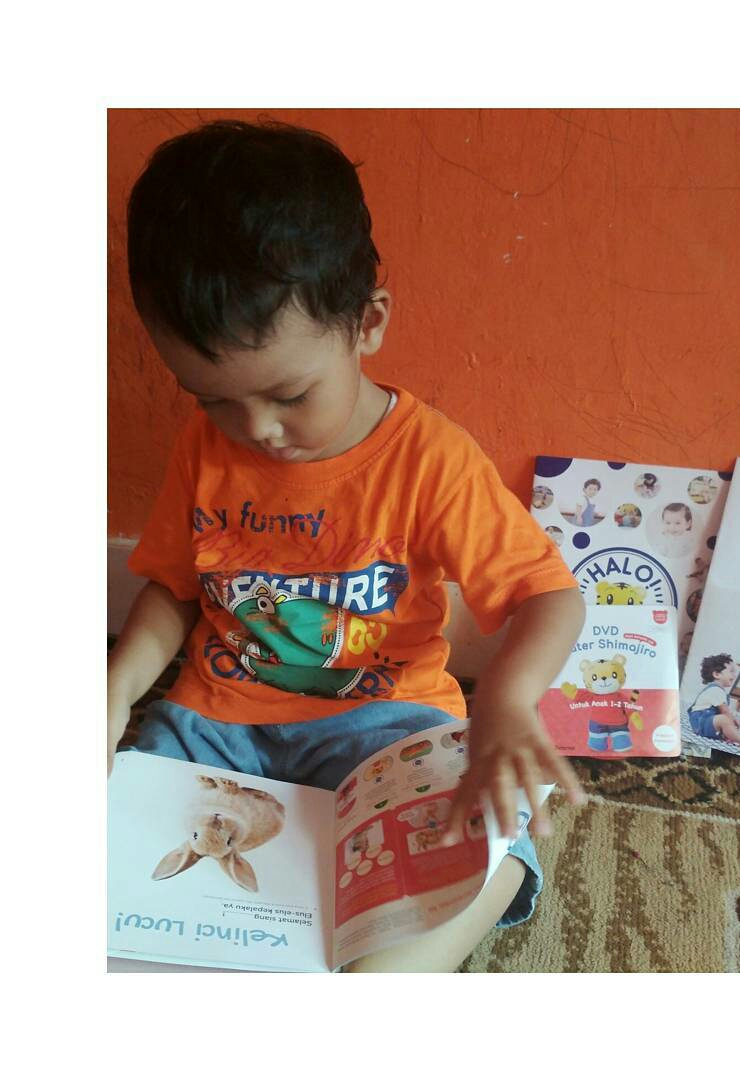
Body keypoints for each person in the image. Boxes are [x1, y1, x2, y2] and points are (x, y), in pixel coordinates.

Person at [107, 119, 587, 972]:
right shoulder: (205, 448)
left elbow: (548, 594)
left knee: (469, 841)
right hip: (214, 727)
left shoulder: (431, 459)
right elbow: (176, 587)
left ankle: (465, 907)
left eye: (290, 395)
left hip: (385, 725)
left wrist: (508, 703)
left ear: (368, 322)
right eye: (212, 399)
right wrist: (113, 692)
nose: (257, 430)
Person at [685, 654, 740, 748]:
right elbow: (725, 711)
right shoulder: (715, 690)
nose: (734, 675)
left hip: (706, 721)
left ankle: (728, 735)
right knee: (724, 719)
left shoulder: (719, 690)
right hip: (701, 722)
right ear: (717, 674)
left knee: (725, 720)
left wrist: (732, 722)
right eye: (731, 671)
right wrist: (732, 722)